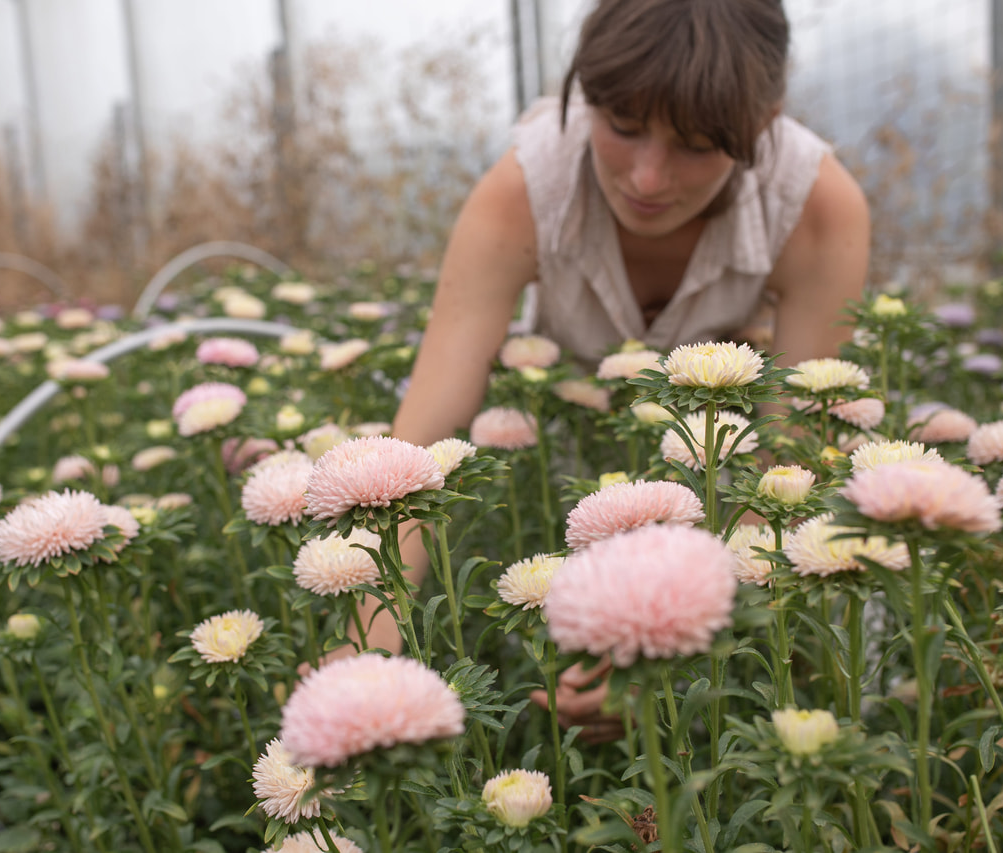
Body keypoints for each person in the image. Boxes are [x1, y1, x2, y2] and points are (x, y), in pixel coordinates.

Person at [370, 0, 868, 730]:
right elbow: (422, 439)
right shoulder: (523, 191)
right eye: (623, 127)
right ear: (583, 93)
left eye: (696, 145)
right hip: (563, 463)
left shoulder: (817, 206)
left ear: (762, 124)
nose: (647, 176)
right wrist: (369, 641)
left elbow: (790, 461)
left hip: (730, 467)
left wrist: (676, 643)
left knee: (826, 649)